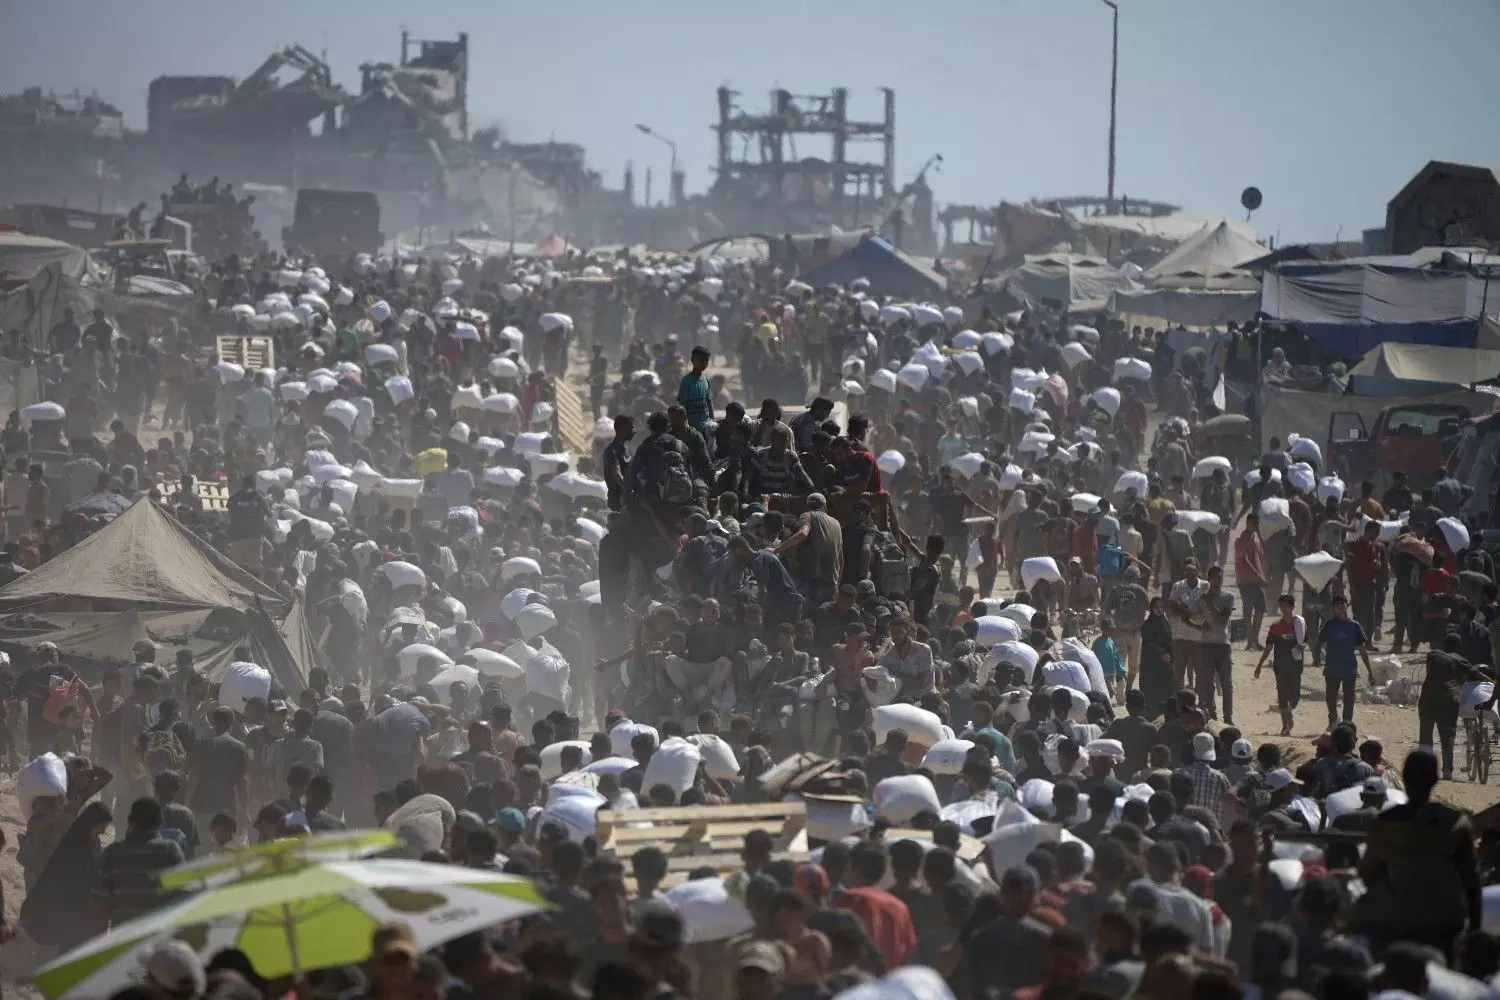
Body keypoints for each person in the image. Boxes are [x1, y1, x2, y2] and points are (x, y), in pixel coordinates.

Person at [1354, 749, 1481, 962]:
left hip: (1396, 924)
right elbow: (1471, 882)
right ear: (1435, 780)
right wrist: (1474, 930)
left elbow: (1367, 873)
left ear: (1404, 778)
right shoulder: (1456, 823)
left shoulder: (1384, 825)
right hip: (1444, 926)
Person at [1316, 594, 1376, 730]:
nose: (1340, 607)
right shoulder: (1329, 625)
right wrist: (1317, 658)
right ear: (1333, 608)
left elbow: (1362, 650)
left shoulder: (1354, 626)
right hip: (1331, 668)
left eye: (1342, 604)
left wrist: (1370, 672)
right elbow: (1319, 642)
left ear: (1346, 606)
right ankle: (1333, 720)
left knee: (1349, 699)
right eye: (1337, 605)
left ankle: (1346, 725)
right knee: (1330, 698)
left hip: (1349, 669)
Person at [1254, 594, 1307, 736]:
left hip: (1296, 667)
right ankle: (1285, 727)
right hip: (1280, 668)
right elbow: (1268, 648)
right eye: (1281, 606)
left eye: (1286, 606)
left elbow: (1304, 641)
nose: (1283, 609)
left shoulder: (1299, 625)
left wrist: (1303, 646)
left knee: (1294, 700)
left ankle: (1289, 714)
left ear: (1292, 607)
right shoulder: (1275, 627)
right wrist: (1259, 665)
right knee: (1283, 698)